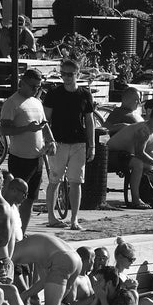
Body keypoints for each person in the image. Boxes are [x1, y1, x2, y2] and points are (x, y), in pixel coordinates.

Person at [43, 57, 97, 231]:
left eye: (70, 74)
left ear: (77, 74)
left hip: (79, 142)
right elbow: (45, 119)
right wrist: (48, 140)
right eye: (63, 74)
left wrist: (92, 145)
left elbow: (89, 121)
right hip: (58, 142)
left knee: (76, 181)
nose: (66, 77)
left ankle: (74, 219)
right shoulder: (54, 93)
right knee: (54, 180)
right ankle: (51, 217)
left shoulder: (84, 95)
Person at [0, 68, 53, 230]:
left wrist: (51, 141)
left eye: (38, 87)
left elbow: (43, 125)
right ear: (22, 83)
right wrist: (26, 129)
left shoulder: (36, 102)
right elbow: (4, 130)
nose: (35, 90)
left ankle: (22, 232)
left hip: (37, 158)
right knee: (15, 198)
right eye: (32, 86)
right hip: (20, 158)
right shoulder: (12, 103)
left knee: (29, 199)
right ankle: (9, 230)